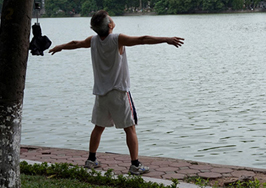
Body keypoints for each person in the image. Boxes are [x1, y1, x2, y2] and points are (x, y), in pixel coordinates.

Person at [49, 10, 184, 175]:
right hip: (119, 93)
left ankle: (91, 160)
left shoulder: (93, 41)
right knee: (130, 128)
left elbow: (75, 43)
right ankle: (135, 165)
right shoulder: (117, 39)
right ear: (110, 25)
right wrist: (166, 39)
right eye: (110, 19)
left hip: (101, 93)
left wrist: (60, 47)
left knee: (98, 127)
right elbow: (143, 40)